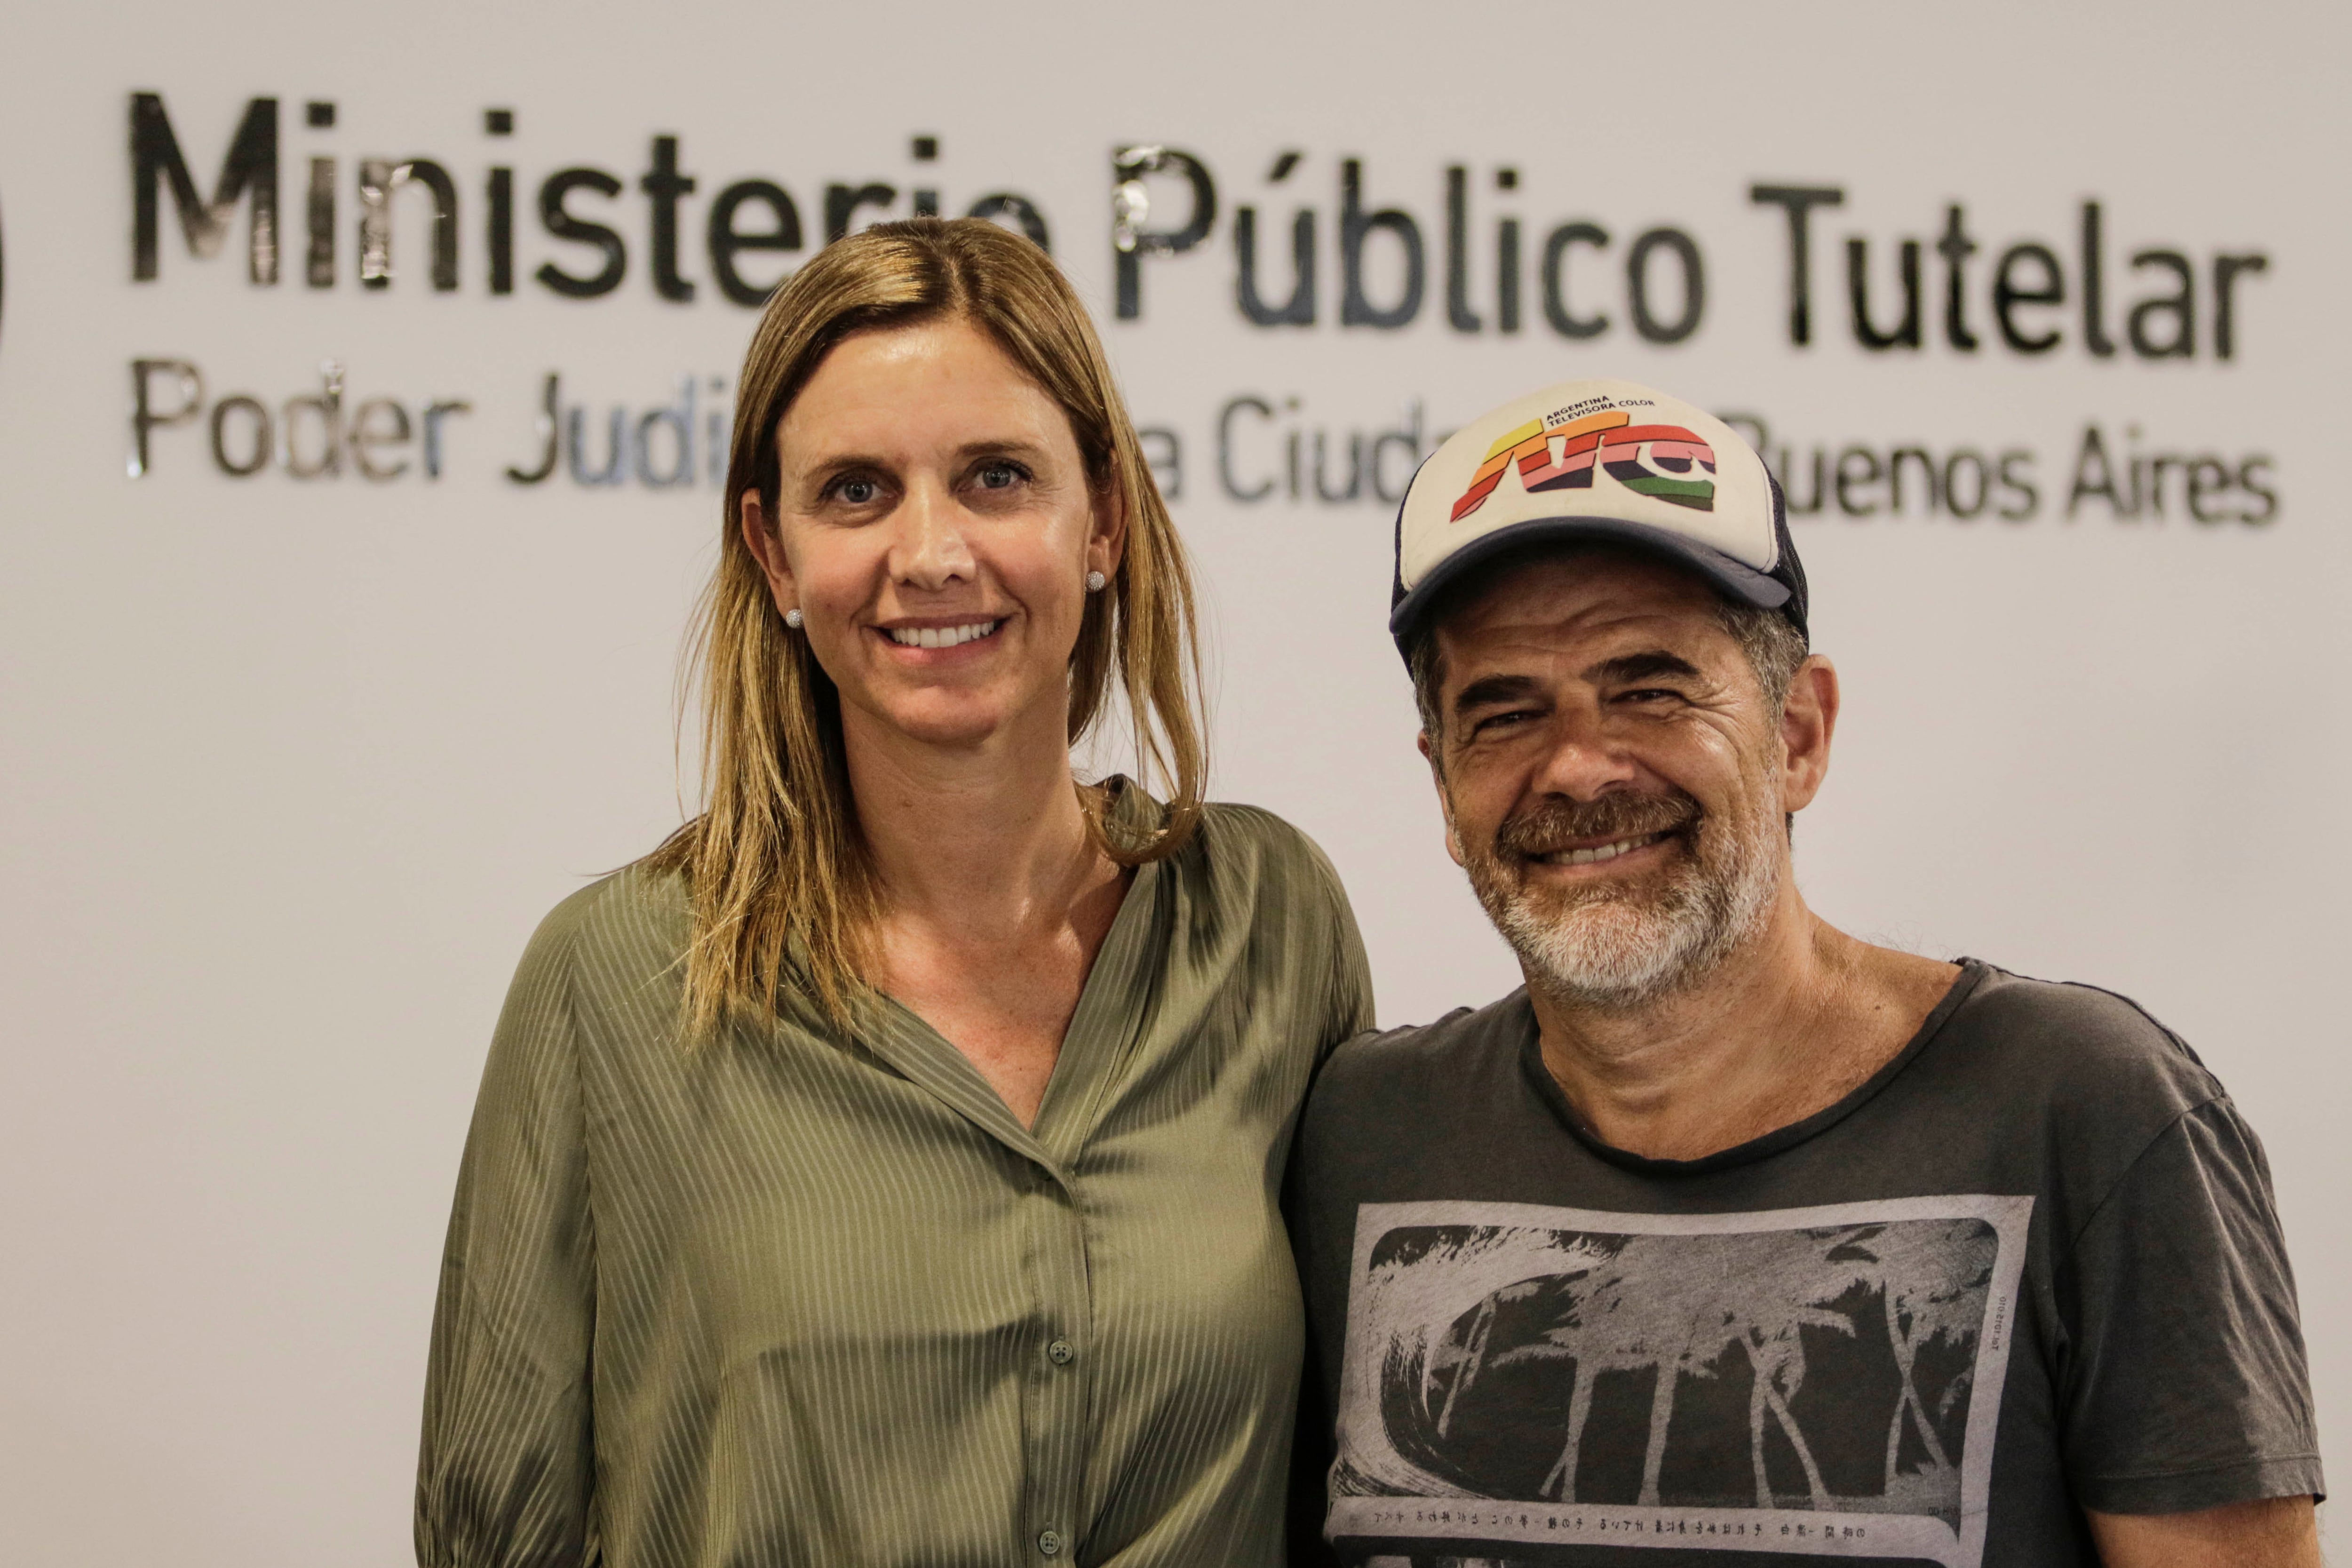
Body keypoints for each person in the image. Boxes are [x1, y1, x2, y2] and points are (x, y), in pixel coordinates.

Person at [416, 218, 1372, 1568]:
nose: (931, 553)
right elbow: (488, 1536)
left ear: (1101, 516)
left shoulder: (1267, 920)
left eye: (995, 477)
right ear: (773, 548)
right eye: (857, 491)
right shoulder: (616, 976)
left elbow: (1351, 1472)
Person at [1286, 379, 2321, 1568]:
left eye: (1649, 686)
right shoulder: (1359, 1134)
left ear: (1798, 733)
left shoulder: (2084, 1111)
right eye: (1505, 712)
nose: (1576, 766)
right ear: (1444, 789)